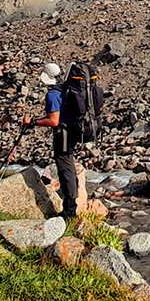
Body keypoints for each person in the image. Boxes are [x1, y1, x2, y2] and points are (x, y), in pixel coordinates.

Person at [23, 62, 103, 218]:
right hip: (75, 131)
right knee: (69, 165)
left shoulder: (53, 94)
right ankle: (74, 197)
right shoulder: (68, 88)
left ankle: (70, 210)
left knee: (65, 168)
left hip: (63, 134)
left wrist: (33, 122)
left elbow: (53, 121)